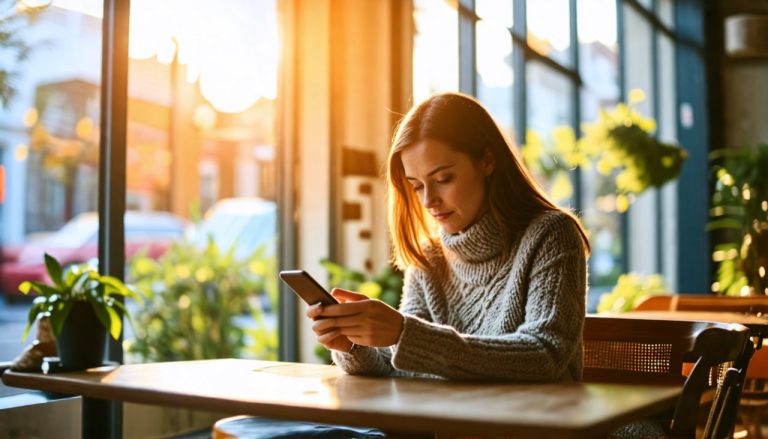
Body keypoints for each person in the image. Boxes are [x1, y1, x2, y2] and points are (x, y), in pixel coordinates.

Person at [308, 91, 590, 381]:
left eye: (443, 179)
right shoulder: (429, 258)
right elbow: (401, 364)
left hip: (536, 422)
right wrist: (352, 345)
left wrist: (406, 334)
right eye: (416, 185)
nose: (429, 200)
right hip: (446, 421)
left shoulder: (551, 234)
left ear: (487, 161)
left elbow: (545, 355)